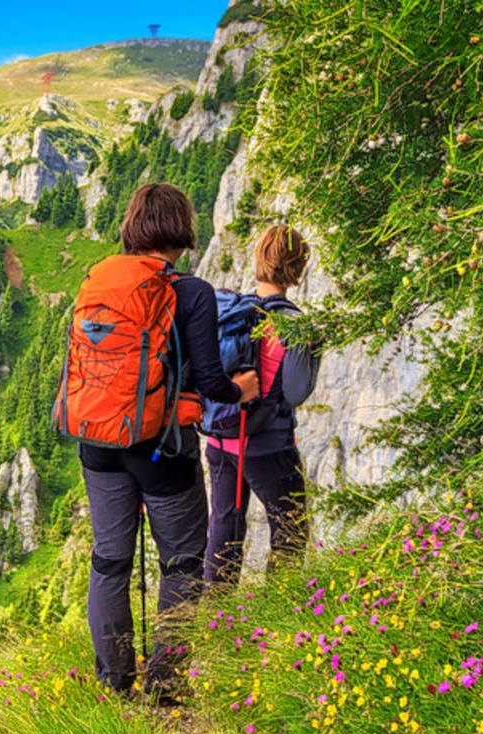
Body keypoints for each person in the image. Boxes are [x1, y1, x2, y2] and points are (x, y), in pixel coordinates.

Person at [77, 183, 259, 703]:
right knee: (180, 562)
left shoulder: (101, 279)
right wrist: (241, 389)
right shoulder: (192, 292)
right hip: (162, 446)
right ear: (181, 228)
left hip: (98, 441)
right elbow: (210, 380)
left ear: (134, 224)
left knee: (109, 560)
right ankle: (166, 682)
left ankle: (114, 681)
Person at [204, 225, 322, 585]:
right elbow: (296, 393)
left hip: (221, 438)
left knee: (224, 531)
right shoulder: (295, 324)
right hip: (267, 444)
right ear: (298, 268)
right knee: (290, 531)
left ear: (259, 259)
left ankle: (215, 622)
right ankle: (276, 619)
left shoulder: (232, 310)